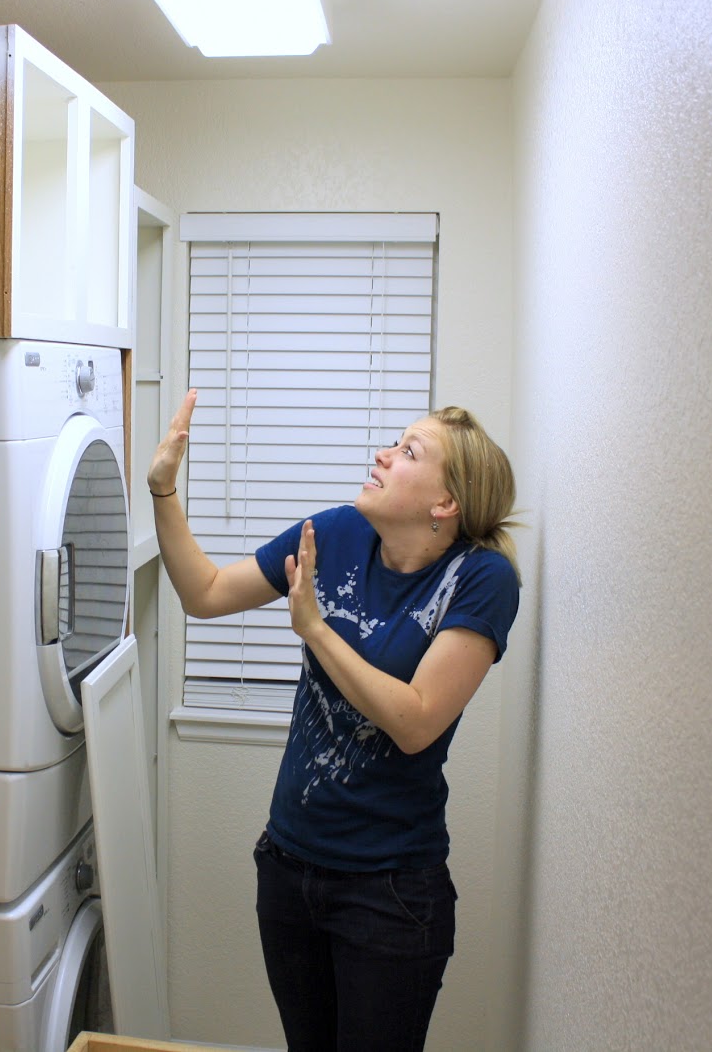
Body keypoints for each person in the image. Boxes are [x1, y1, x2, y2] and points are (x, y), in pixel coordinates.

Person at [147, 388, 521, 1052]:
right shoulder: (340, 531)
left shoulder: (481, 579)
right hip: (289, 867)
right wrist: (163, 494)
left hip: (390, 894)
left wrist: (316, 629)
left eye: (408, 451)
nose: (382, 453)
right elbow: (203, 593)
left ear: (446, 504)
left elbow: (417, 721)